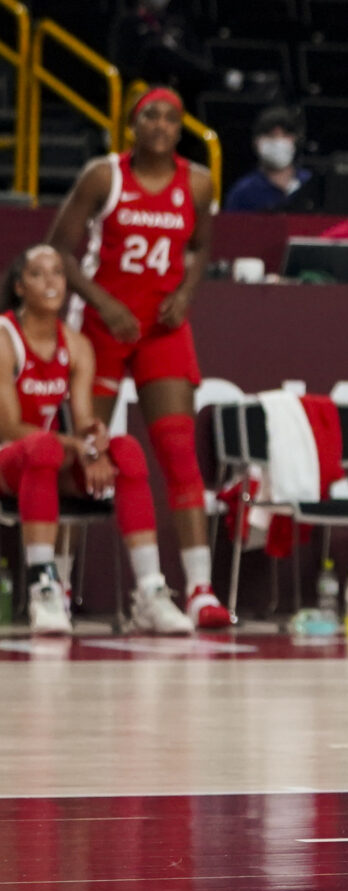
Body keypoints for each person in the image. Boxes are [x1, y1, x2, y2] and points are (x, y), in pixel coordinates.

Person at [44, 86, 229, 628]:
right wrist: (103, 301)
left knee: (178, 452)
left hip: (163, 329)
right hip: (103, 326)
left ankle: (198, 589)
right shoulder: (105, 176)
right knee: (88, 453)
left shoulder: (196, 181)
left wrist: (187, 293)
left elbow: (200, 248)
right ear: (132, 124)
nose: (162, 124)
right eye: (151, 114)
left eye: (173, 117)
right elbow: (59, 249)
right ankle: (56, 582)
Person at [0, 245, 194, 635]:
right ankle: (44, 586)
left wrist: (95, 441)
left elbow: (85, 419)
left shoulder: (76, 344)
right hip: (9, 457)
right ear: (20, 287)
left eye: (57, 272)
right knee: (44, 446)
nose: (52, 281)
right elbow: (8, 427)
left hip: (48, 459)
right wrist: (76, 446)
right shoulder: (5, 337)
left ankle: (150, 591)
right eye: (38, 274)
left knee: (127, 451)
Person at [109, 0, 222, 102]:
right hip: (141, 94)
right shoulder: (127, 23)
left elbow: (197, 61)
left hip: (180, 95)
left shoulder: (179, 24)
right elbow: (122, 64)